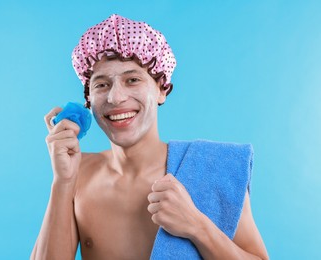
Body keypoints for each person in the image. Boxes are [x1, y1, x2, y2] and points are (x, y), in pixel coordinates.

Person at [31, 14, 269, 260]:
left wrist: (197, 226)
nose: (115, 97)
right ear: (88, 100)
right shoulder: (79, 173)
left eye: (132, 80)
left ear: (161, 89)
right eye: (101, 85)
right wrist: (63, 182)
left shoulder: (214, 168)